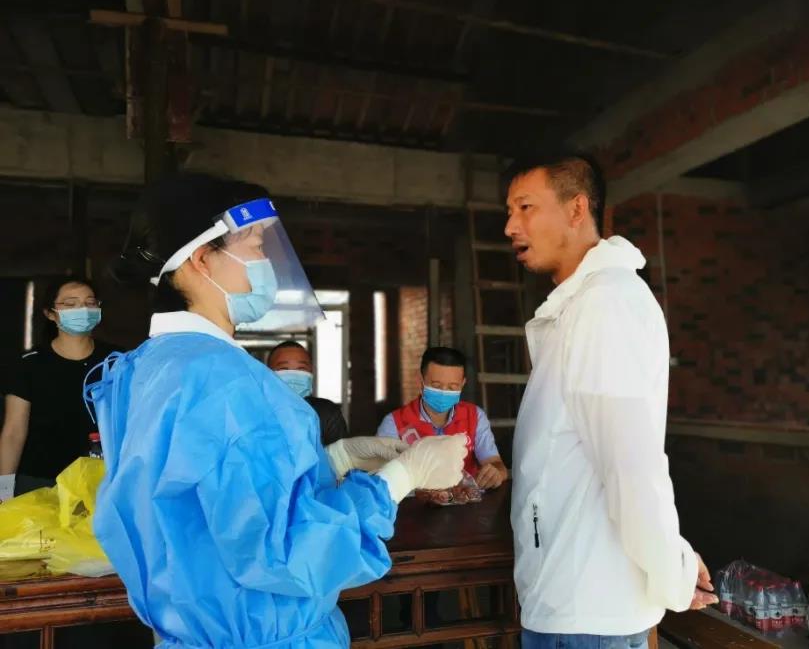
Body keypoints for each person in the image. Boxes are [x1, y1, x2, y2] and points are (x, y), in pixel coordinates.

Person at [84, 172, 467, 649]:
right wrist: (401, 479)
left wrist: (335, 460)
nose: (267, 262)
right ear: (201, 259)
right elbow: (287, 552)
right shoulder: (225, 379)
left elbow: (199, 503)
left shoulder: (149, 365)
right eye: (256, 245)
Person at [503, 154, 718, 649]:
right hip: (571, 599)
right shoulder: (581, 304)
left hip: (589, 612)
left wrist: (674, 572)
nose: (511, 226)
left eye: (525, 207)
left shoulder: (606, 304)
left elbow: (631, 466)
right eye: (509, 211)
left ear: (577, 208)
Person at [0, 277, 120, 501]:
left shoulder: (117, 361)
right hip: (38, 483)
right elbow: (14, 431)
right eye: (71, 304)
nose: (83, 310)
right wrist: (3, 489)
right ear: (50, 313)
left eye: (90, 302)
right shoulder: (29, 364)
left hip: (101, 480)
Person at [377, 346, 508, 490]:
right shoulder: (394, 423)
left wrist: (496, 473)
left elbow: (495, 463)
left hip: (465, 500)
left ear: (462, 384)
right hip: (414, 502)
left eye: (452, 387)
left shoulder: (475, 416)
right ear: (421, 381)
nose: (444, 392)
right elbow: (382, 478)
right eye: (436, 385)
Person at [268, 340, 349, 446]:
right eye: (283, 369)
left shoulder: (326, 413)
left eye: (301, 369)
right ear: (267, 373)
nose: (294, 375)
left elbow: (340, 453)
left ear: (311, 373)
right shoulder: (253, 413)